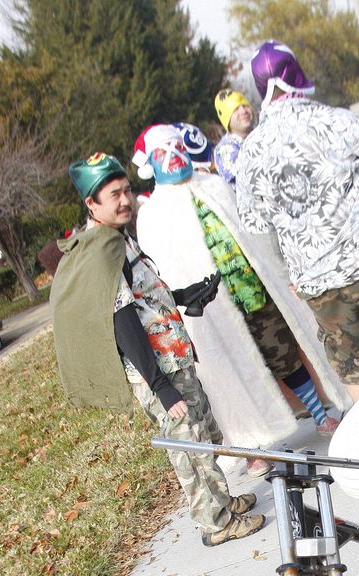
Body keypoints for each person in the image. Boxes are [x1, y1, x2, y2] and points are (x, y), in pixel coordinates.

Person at [50, 152, 266, 546]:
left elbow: (143, 300)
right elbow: (121, 322)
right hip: (158, 371)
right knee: (189, 447)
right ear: (91, 204)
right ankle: (216, 524)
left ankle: (222, 502)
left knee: (201, 432)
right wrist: (160, 387)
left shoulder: (118, 239)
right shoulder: (103, 252)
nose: (125, 200)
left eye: (127, 190)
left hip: (172, 357)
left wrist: (184, 294)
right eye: (113, 194)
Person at [132, 125, 344, 473]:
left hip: (249, 289)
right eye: (162, 152)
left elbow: (250, 231)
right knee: (227, 376)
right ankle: (249, 449)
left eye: (175, 146)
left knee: (283, 353)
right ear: (149, 163)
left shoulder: (212, 185)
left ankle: (319, 415)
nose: (172, 155)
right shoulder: (153, 214)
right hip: (207, 310)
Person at [236, 40, 359, 404]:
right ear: (297, 74)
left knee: (355, 367)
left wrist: (289, 275)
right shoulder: (342, 121)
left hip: (317, 279)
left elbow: (258, 231)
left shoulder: (250, 153)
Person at [213, 90, 255, 187]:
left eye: (245, 105)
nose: (243, 111)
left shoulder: (262, 132)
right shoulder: (225, 150)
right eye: (235, 109)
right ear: (227, 119)